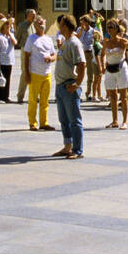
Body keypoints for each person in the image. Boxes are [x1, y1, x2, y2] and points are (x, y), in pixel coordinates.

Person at [51, 14, 87, 158]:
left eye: (60, 24)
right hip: (60, 86)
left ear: (65, 26)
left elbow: (82, 64)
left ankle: (78, 150)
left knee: (74, 120)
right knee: (63, 119)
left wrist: (77, 83)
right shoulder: (65, 42)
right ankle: (67, 146)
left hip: (69, 86)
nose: (59, 26)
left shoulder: (74, 43)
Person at [23, 16, 58, 131]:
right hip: (35, 73)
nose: (42, 23)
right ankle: (32, 123)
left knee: (45, 100)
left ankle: (44, 122)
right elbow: (26, 56)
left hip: (47, 73)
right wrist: (26, 73)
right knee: (33, 100)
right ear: (35, 25)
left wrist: (50, 58)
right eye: (39, 22)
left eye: (43, 21)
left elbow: (54, 55)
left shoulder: (48, 39)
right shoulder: (31, 39)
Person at [102, 20, 128, 129]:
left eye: (111, 27)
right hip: (109, 69)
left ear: (117, 29)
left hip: (121, 69)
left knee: (123, 96)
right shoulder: (106, 42)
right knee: (112, 96)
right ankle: (114, 120)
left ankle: (125, 121)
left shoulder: (122, 41)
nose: (109, 29)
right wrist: (102, 64)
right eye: (108, 27)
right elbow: (102, 54)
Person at [15, 8, 36, 102]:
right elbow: (17, 38)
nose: (34, 16)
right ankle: (20, 96)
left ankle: (35, 95)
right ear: (27, 15)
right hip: (25, 50)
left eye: (35, 15)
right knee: (25, 72)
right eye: (32, 15)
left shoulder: (35, 25)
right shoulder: (22, 25)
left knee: (35, 72)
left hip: (35, 51)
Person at [0, 16, 17, 102]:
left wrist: (9, 34)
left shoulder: (10, 36)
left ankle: (6, 97)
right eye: (6, 24)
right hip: (2, 61)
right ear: (2, 26)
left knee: (7, 79)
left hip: (9, 61)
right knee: (0, 80)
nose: (8, 26)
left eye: (9, 24)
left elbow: (15, 43)